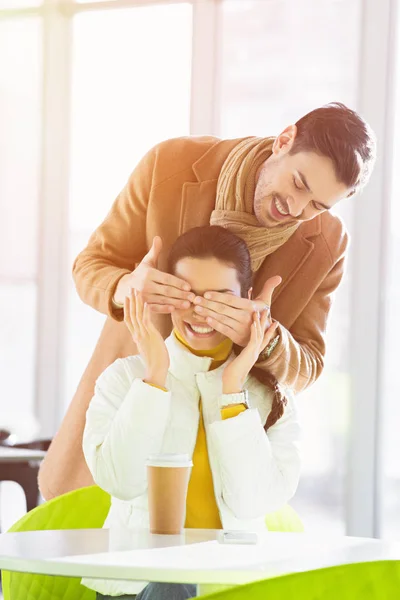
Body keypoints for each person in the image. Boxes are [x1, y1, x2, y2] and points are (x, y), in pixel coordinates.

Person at [38, 102, 376, 500]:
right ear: (284, 141)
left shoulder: (327, 243)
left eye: (318, 205)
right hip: (130, 415)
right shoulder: (171, 165)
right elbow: (90, 265)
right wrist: (126, 285)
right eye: (299, 184)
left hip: (222, 459)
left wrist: (264, 338)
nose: (297, 209)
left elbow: (308, 366)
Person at [81, 226, 301, 600]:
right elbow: (120, 480)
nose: (202, 311)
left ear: (247, 300)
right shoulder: (124, 378)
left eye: (220, 299)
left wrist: (232, 394)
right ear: (167, 295)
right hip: (136, 588)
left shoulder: (269, 397)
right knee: (172, 583)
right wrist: (154, 378)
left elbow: (250, 504)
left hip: (233, 586)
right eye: (189, 296)